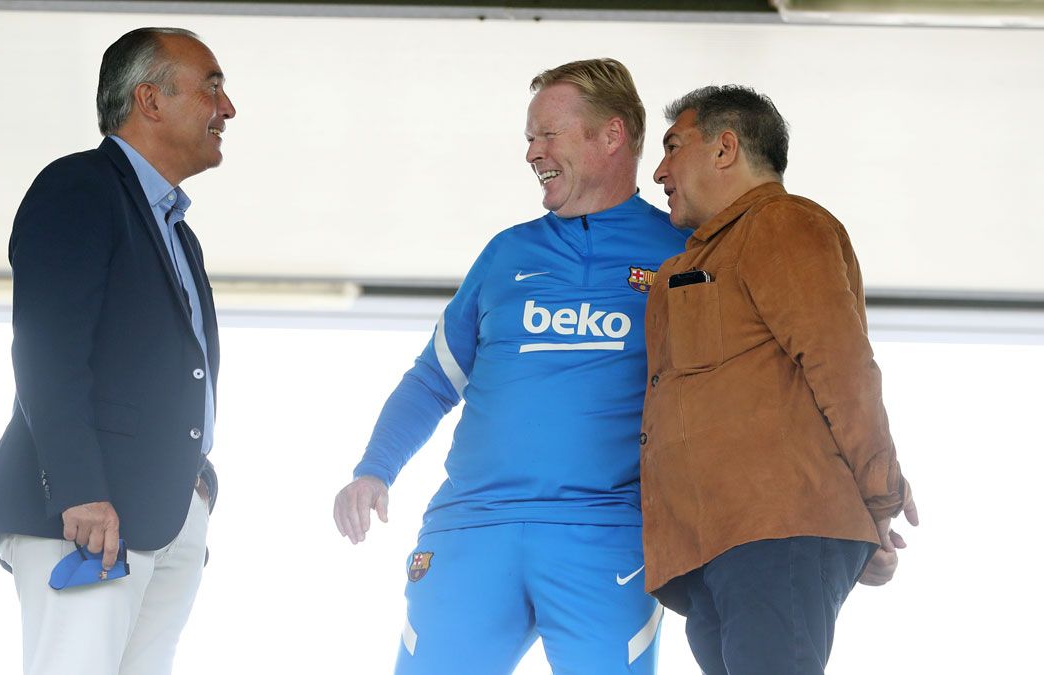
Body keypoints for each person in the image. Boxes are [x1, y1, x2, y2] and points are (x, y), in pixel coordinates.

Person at [333, 58, 687, 674]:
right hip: (472, 528)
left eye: (548, 134)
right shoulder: (506, 253)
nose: (533, 153)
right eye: (529, 138)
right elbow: (432, 379)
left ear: (611, 136)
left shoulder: (683, 252)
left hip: (607, 536)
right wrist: (374, 469)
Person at [0, 27, 234, 675]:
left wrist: (197, 479)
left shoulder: (176, 230)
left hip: (164, 511)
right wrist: (80, 487)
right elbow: (48, 347)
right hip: (90, 510)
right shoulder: (80, 186)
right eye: (212, 87)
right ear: (150, 99)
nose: (227, 109)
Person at [640, 85, 920, 675]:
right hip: (718, 548)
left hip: (774, 536)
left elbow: (841, 365)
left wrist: (879, 501)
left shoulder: (782, 224)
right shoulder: (699, 258)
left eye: (672, 147)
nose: (660, 171)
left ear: (724, 149)